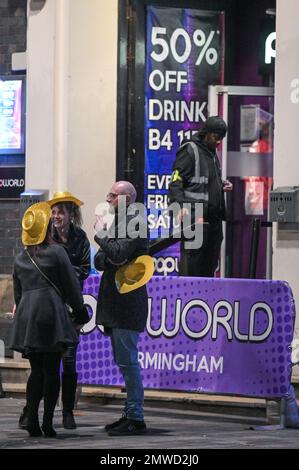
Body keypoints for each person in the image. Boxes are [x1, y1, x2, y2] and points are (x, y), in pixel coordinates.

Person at [10, 202, 89, 438]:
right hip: (51, 314)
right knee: (53, 370)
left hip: (28, 317)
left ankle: (32, 419)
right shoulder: (57, 252)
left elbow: (18, 293)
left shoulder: (20, 257)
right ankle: (47, 423)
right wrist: (81, 313)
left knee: (36, 371)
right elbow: (71, 286)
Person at [94, 181, 149, 436]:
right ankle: (129, 412)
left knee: (128, 362)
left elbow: (116, 253)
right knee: (123, 361)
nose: (107, 199)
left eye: (113, 196)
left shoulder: (136, 221)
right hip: (116, 303)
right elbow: (102, 259)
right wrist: (110, 253)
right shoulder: (120, 222)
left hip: (127, 303)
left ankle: (136, 417)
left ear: (127, 199)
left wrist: (102, 234)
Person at [168, 116, 233, 277]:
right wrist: (180, 206)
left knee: (209, 268)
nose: (219, 142)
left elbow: (204, 181)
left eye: (221, 139)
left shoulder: (211, 153)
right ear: (207, 133)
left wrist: (221, 184)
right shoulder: (190, 149)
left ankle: (204, 302)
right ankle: (187, 301)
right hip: (195, 218)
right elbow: (175, 181)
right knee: (192, 267)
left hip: (214, 221)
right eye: (216, 137)